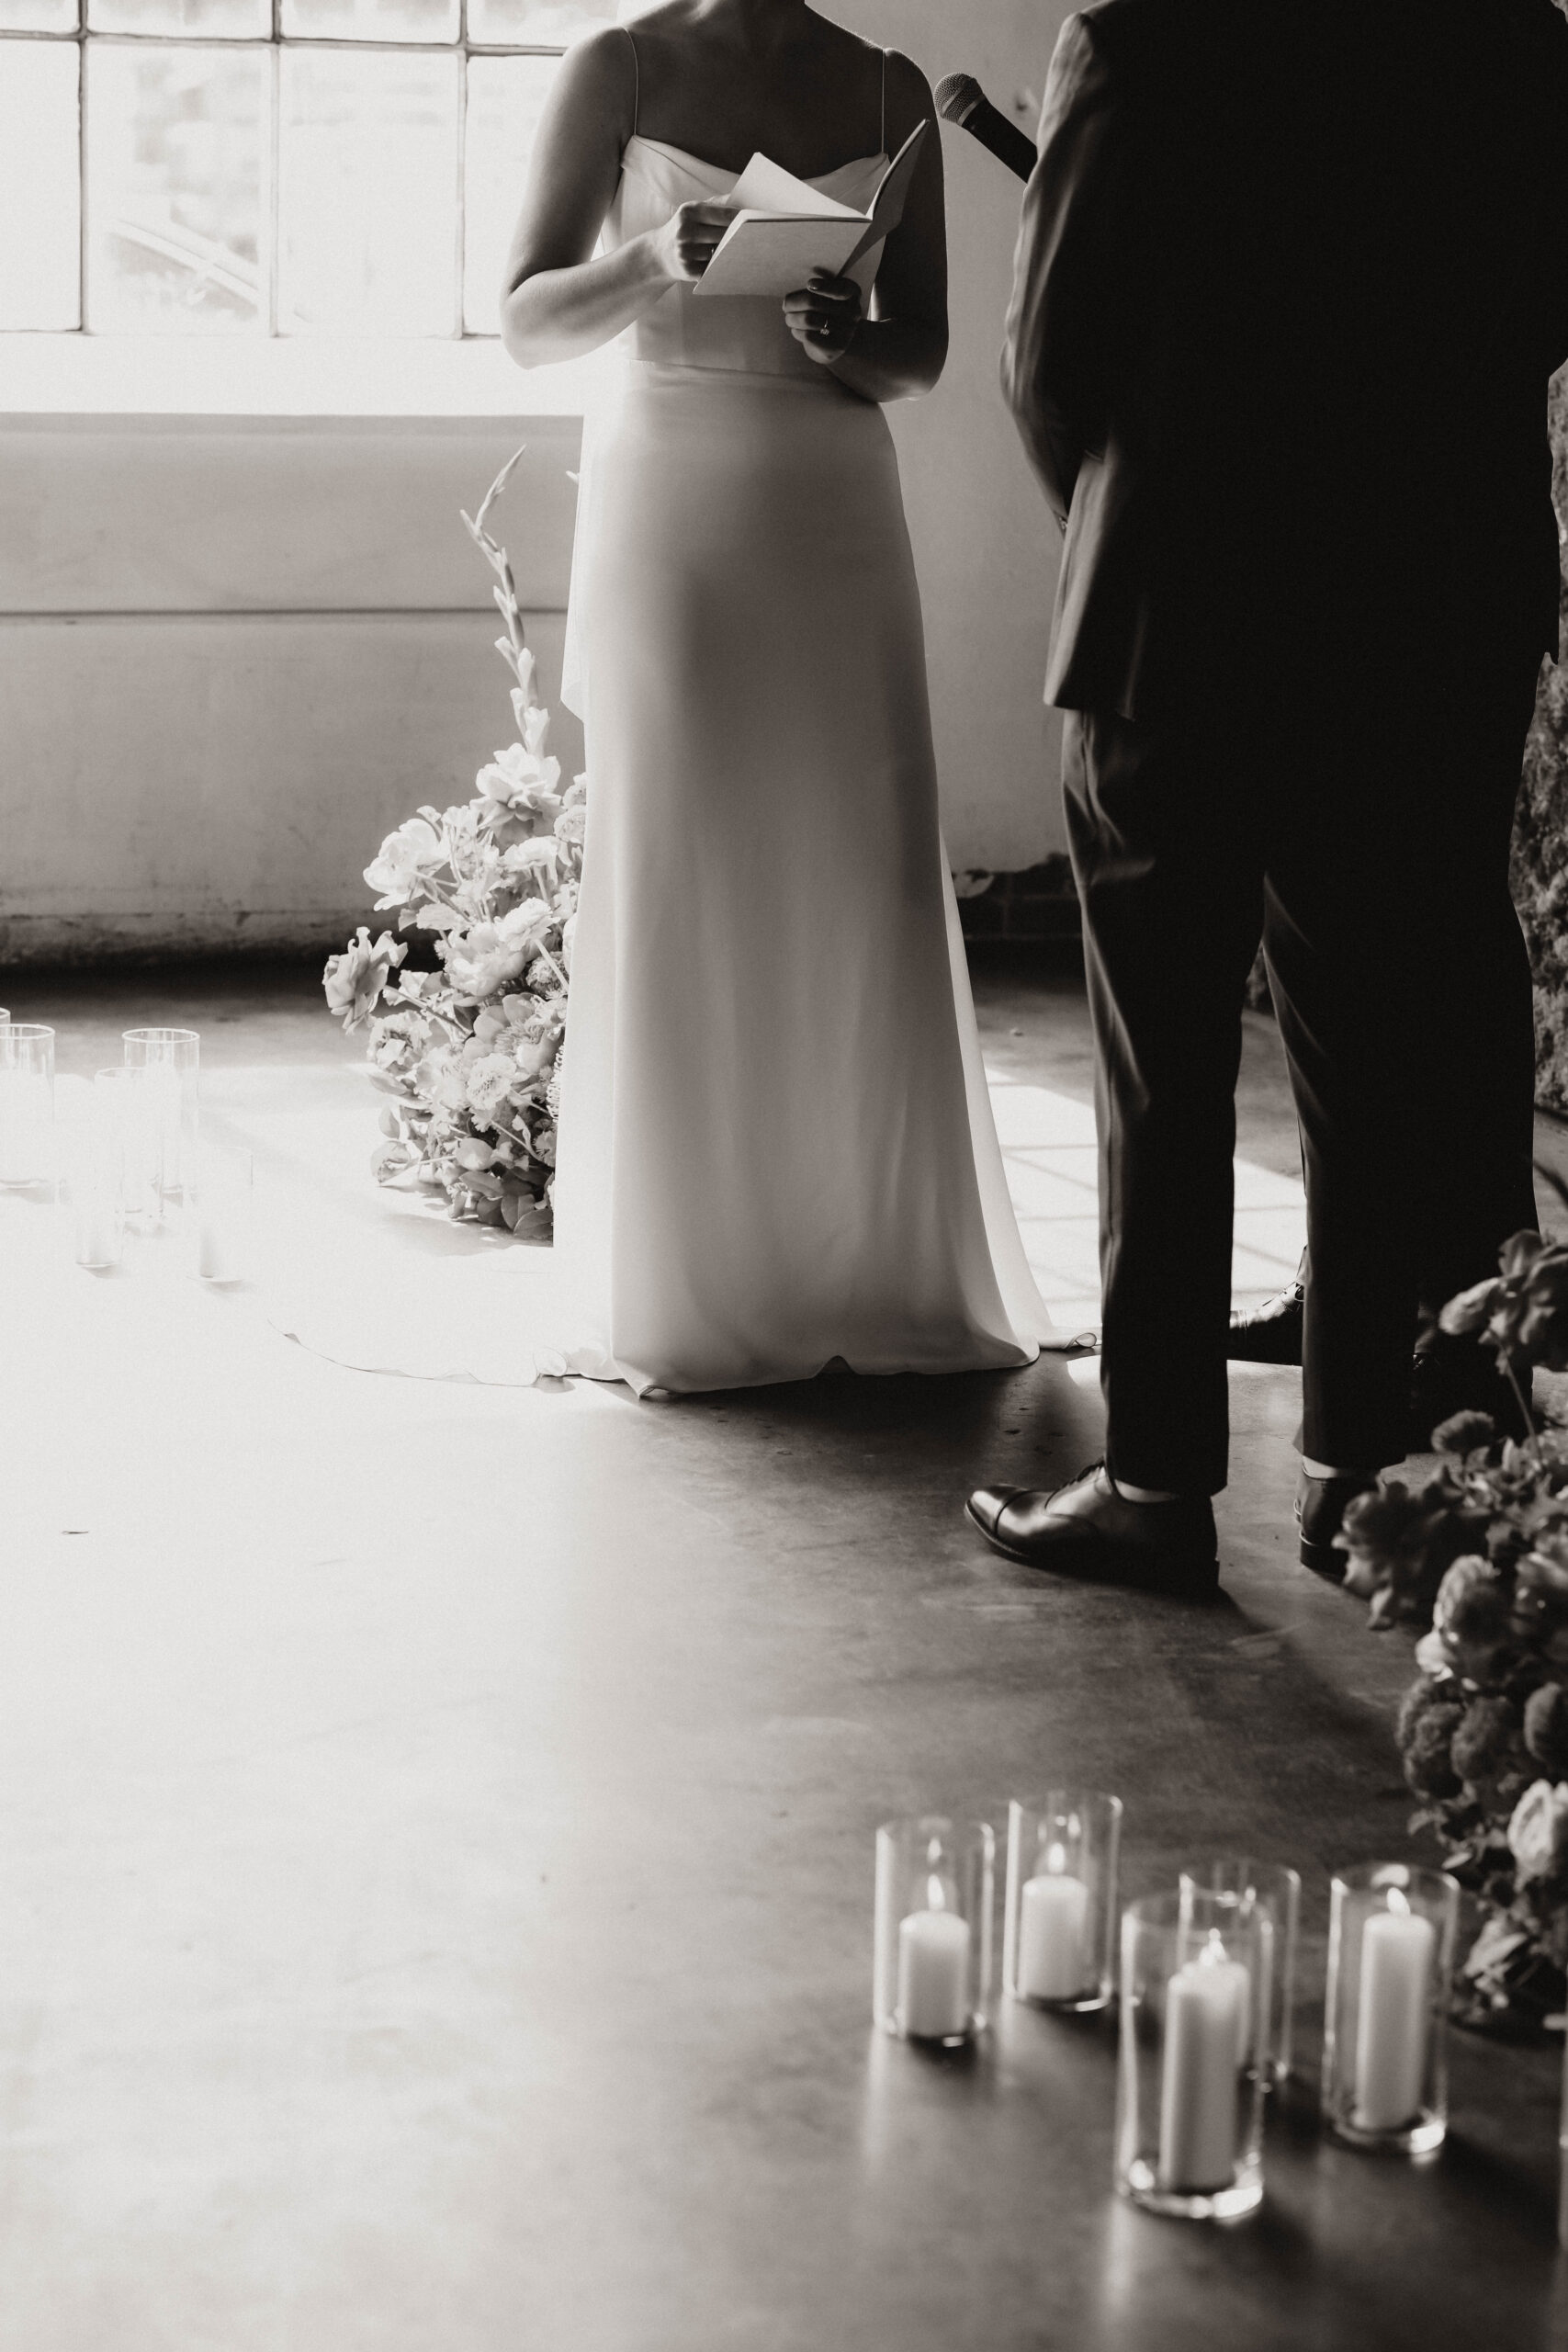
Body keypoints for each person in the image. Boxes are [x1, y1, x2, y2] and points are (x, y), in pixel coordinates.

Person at [967, 0, 1568, 1590]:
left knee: (1160, 1068)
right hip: (1430, 614)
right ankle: (1356, 1469)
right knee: (1380, 1052)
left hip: (1180, 613)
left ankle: (1160, 1484)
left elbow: (1048, 356)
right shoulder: (1512, 45)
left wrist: (1123, 527)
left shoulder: (1144, 33)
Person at [491, 0, 1051, 1395]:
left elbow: (916, 355)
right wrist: (646, 263)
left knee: (857, 863)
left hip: (834, 498)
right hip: (672, 482)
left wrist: (843, 337)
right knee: (690, 853)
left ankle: (869, 1259)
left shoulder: (885, 86)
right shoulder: (616, 66)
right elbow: (523, 320)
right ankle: (689, 1277)